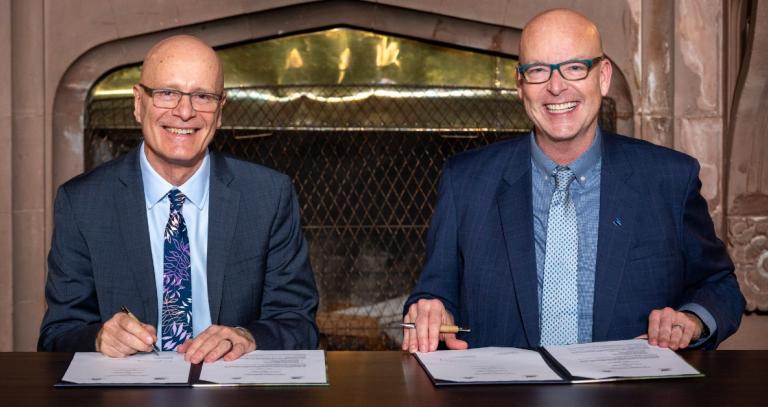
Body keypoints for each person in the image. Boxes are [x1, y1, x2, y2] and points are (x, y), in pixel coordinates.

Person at [402, 9, 744, 353]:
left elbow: (719, 285)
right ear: (520, 85)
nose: (556, 86)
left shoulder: (669, 179)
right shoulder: (465, 182)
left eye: (575, 67)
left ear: (604, 76)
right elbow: (433, 297)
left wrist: (692, 320)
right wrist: (429, 314)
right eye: (537, 70)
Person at [39, 35, 319, 363]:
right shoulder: (83, 203)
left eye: (202, 96)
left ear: (220, 110)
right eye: (167, 93)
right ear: (138, 103)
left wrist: (247, 337)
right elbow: (57, 335)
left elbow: (299, 324)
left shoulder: (268, 196)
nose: (184, 112)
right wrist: (100, 337)